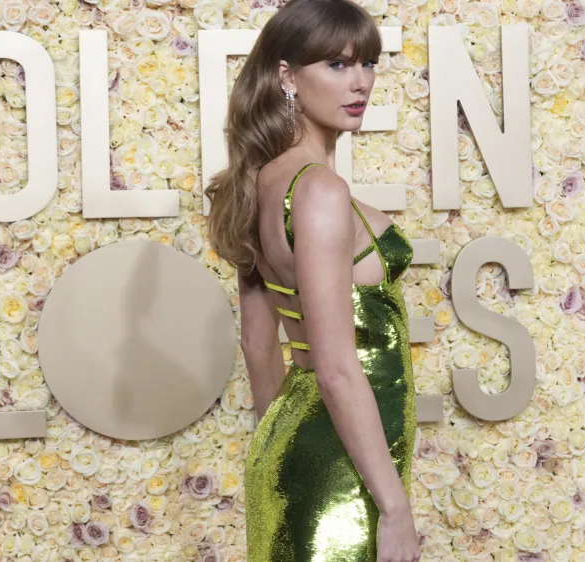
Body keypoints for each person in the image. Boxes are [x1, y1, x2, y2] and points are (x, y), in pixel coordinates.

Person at [204, 0, 422, 560]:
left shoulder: (256, 184)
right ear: (287, 76)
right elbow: (334, 368)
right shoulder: (319, 191)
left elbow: (258, 345)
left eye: (368, 63)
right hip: (340, 472)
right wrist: (394, 510)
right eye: (337, 65)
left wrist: (280, 455)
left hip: (299, 450)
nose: (360, 83)